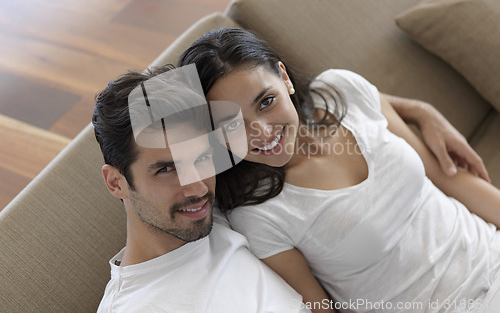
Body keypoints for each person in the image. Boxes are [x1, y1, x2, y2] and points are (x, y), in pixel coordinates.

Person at [177, 28, 500, 313]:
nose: (261, 132)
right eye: (232, 125)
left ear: (284, 77)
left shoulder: (343, 90)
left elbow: (446, 178)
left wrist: (421, 110)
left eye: (265, 102)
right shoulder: (258, 216)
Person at [92, 64, 312, 313]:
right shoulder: (135, 306)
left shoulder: (221, 217)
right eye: (166, 170)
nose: (197, 188)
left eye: (202, 159)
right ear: (115, 182)